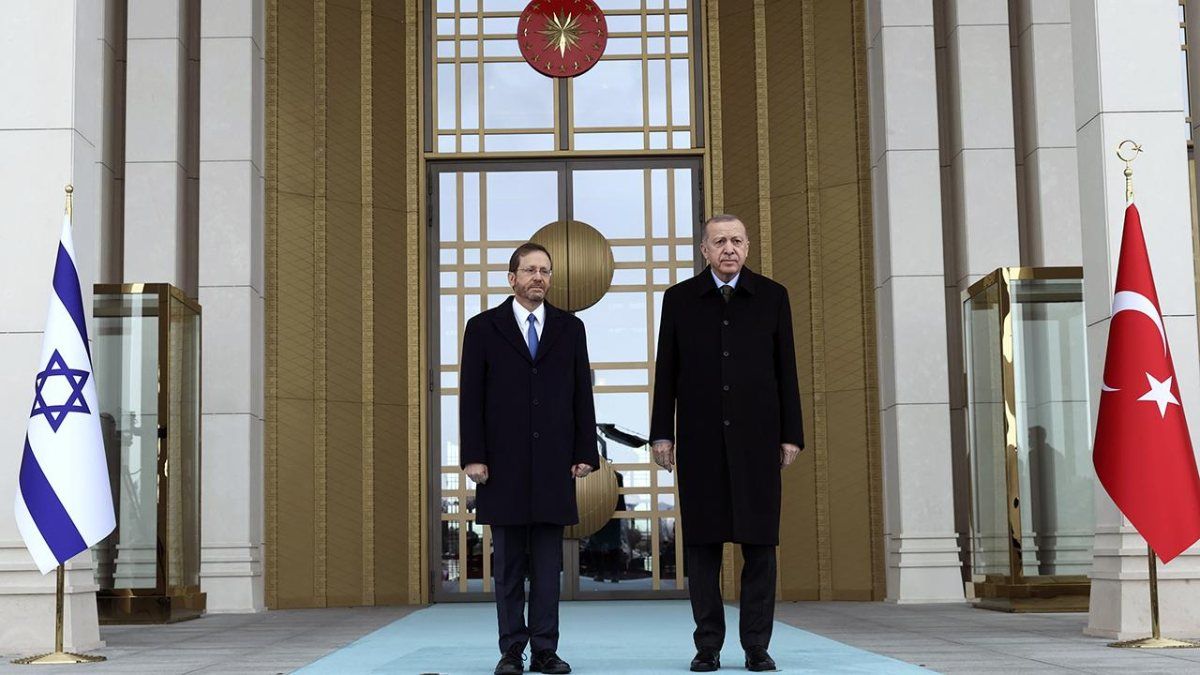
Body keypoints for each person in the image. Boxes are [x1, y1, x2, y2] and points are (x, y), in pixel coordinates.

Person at [650, 214, 804, 672]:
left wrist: (791, 434)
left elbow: (787, 370)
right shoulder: (679, 299)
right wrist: (661, 433)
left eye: (736, 240)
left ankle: (756, 645)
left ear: (748, 246)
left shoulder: (773, 296)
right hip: (700, 441)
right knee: (702, 548)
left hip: (758, 440)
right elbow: (666, 371)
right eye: (719, 241)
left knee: (760, 547)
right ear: (704, 250)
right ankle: (708, 646)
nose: (729, 248)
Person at [459, 242, 600, 675]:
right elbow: (471, 397)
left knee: (546, 567)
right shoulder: (482, 328)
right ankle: (511, 652)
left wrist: (585, 450)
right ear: (512, 278)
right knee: (508, 568)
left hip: (555, 464)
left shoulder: (570, 328)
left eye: (545, 271)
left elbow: (581, 393)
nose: (538, 277)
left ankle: (545, 650)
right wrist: (473, 456)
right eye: (530, 270)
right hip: (502, 466)